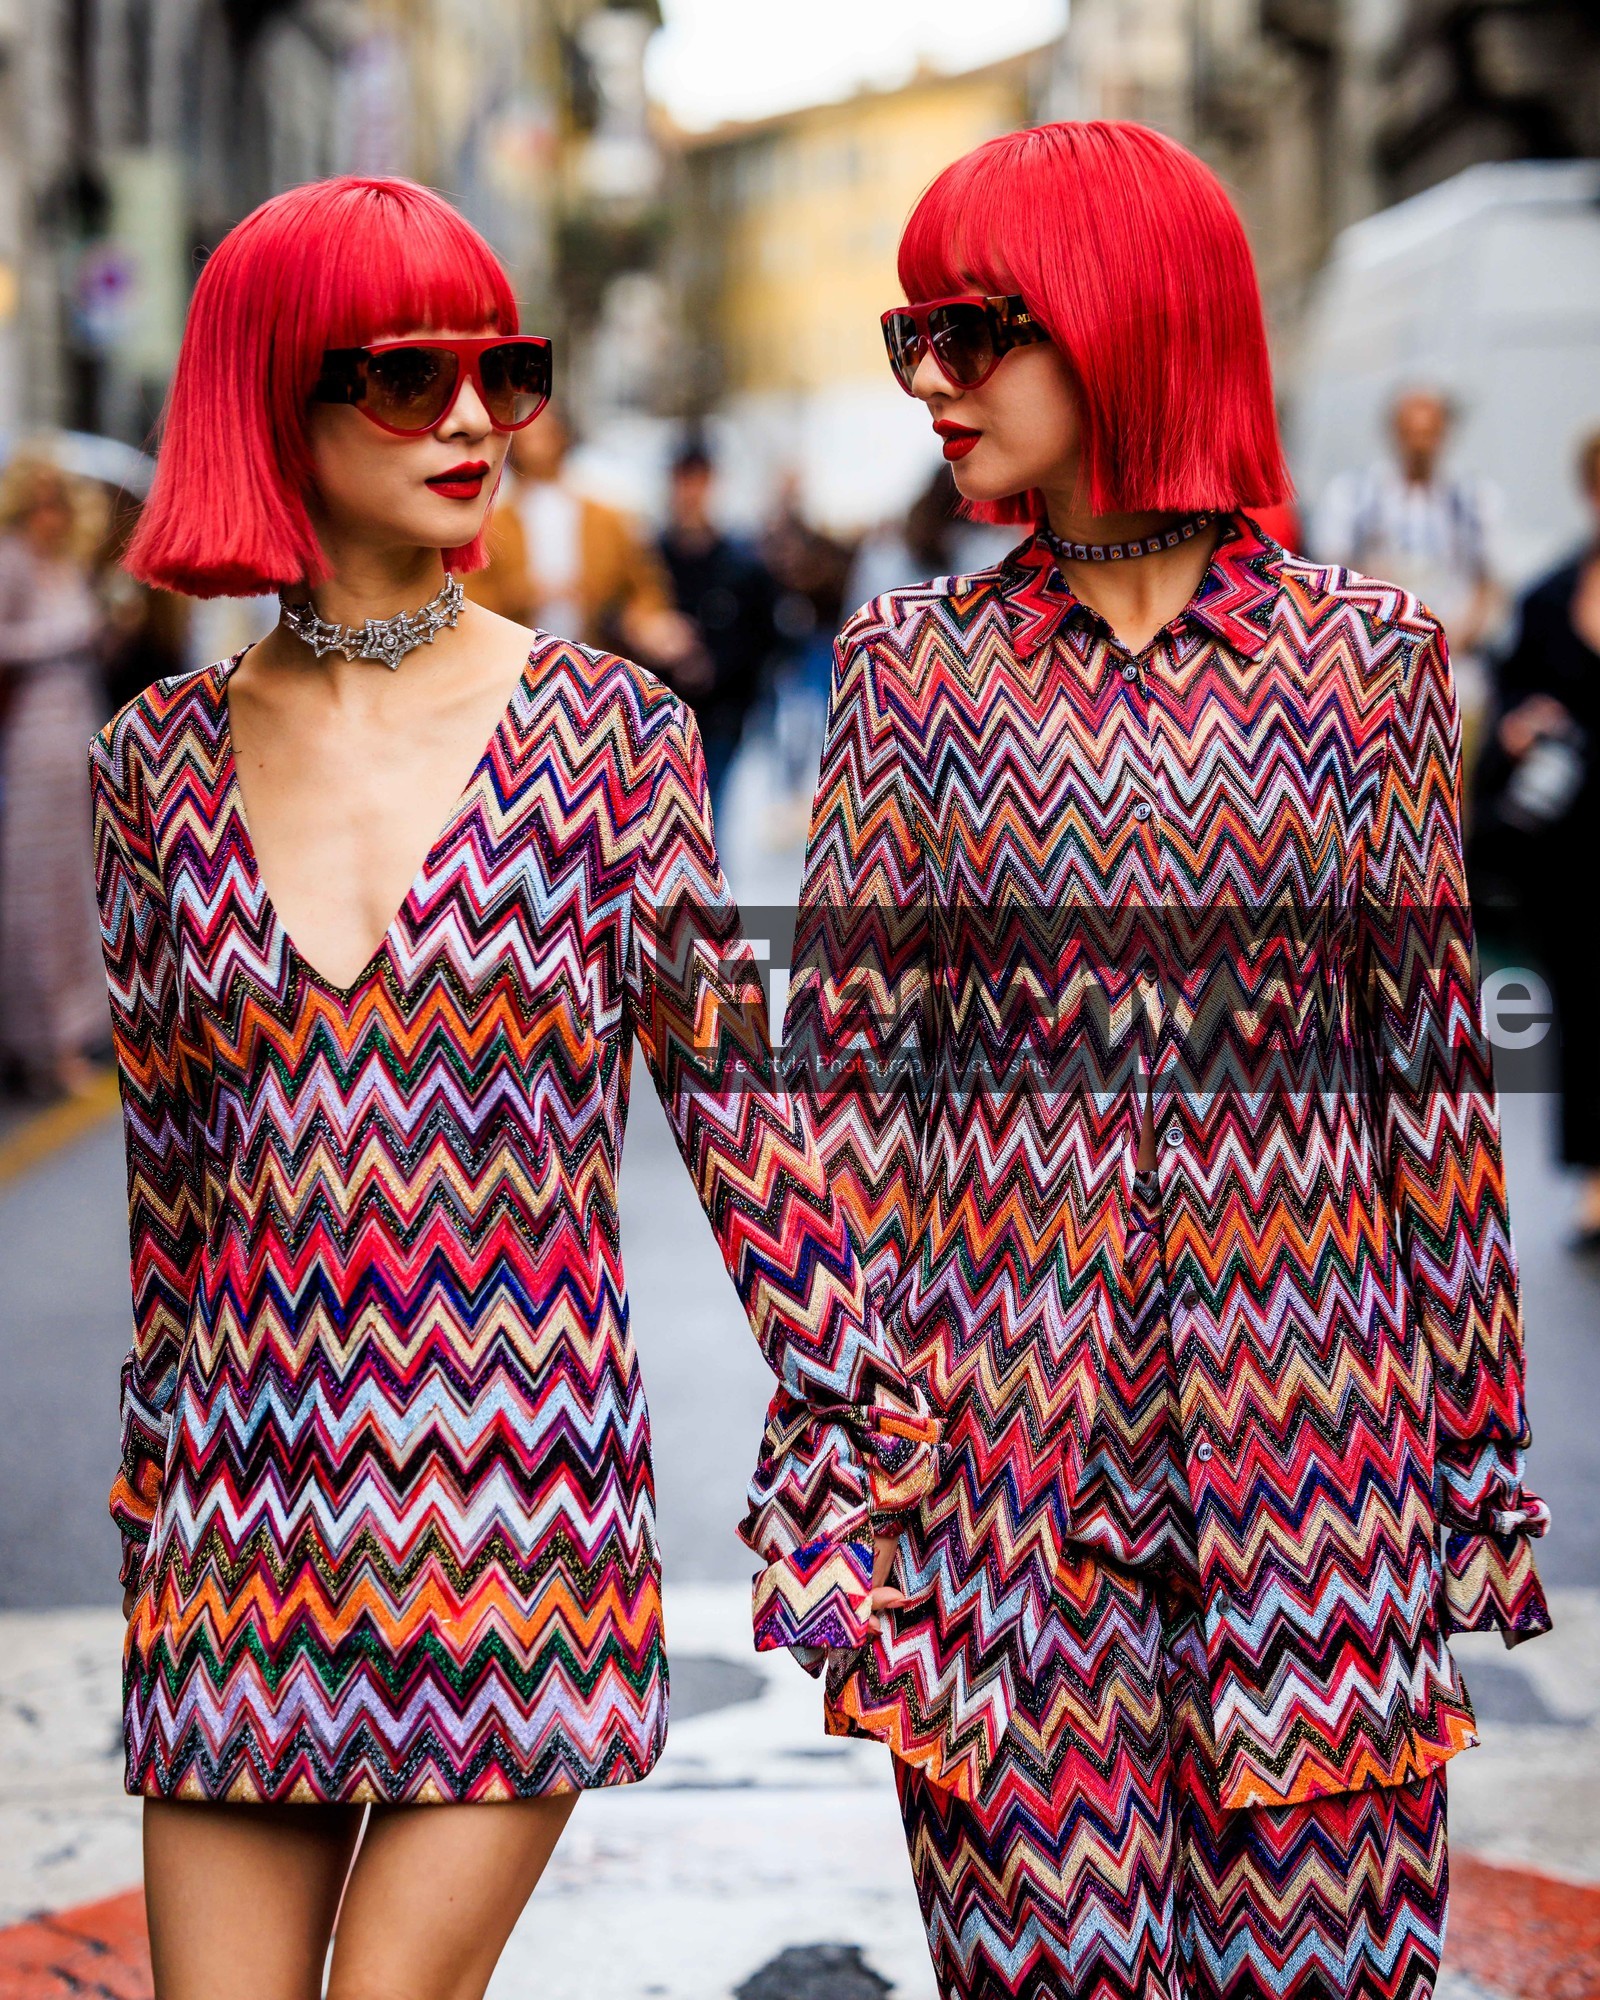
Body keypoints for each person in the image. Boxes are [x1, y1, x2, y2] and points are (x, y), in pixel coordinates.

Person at [99, 174, 933, 2000]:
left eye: (503, 369)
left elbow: (741, 1115)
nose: (476, 417)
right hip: (241, 1525)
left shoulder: (610, 739)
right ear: (272, 405)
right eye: (409, 376)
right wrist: (155, 1461)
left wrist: (869, 1419)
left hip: (518, 1512)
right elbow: (176, 1171)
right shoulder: (152, 769)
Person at [764, 122, 1549, 2000]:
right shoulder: (910, 674)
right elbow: (844, 1112)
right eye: (912, 339)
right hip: (996, 1500)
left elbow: (1429, 1092)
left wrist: (1476, 1452)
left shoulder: (1366, 667)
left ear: (1125, 321)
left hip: (1320, 1471)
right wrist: (842, 1459)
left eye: (976, 329)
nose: (933, 381)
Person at [1484, 426, 1600, 1249]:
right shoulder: (1552, 592)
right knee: (1585, 1009)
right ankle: (1596, 1179)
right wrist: (1521, 730)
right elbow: (1510, 698)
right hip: (1574, 840)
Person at [1314, 387, 1503, 802]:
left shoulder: (1470, 500)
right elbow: (1332, 576)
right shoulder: (1356, 496)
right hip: (1371, 672)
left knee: (1447, 795)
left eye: (1430, 432)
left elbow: (1490, 582)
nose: (1420, 444)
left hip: (1455, 675)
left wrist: (1453, 635)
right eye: (1412, 432)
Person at [0, 450, 109, 1097]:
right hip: (30, 736)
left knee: (77, 884)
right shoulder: (11, 558)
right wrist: (62, 633)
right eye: (38, 501)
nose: (49, 514)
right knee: (34, 889)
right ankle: (40, 1040)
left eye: (57, 501)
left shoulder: (68, 560)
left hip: (76, 724)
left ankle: (75, 1028)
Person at [463, 400, 698, 675]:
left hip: (593, 669)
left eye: (545, 431)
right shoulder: (491, 524)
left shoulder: (606, 518)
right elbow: (467, 596)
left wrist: (644, 624)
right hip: (512, 669)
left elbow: (645, 588)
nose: (537, 444)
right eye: (528, 434)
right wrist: (527, 593)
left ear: (564, 436)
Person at [656, 440, 777, 823]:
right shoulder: (651, 556)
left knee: (708, 816)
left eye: (698, 481)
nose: (690, 492)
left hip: (721, 711)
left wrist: (719, 668)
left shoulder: (740, 563)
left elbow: (763, 635)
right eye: (683, 481)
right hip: (660, 710)